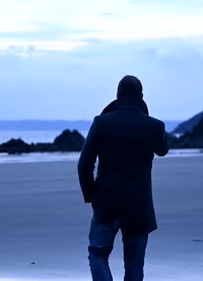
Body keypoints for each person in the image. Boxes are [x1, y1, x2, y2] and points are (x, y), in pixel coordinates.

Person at [78, 75, 170, 281]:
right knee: (135, 266)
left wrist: (91, 193)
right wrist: (146, 114)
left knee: (98, 254)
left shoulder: (102, 122)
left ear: (117, 96)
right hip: (138, 206)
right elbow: (163, 149)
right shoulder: (154, 126)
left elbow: (84, 164)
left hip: (106, 204)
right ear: (141, 96)